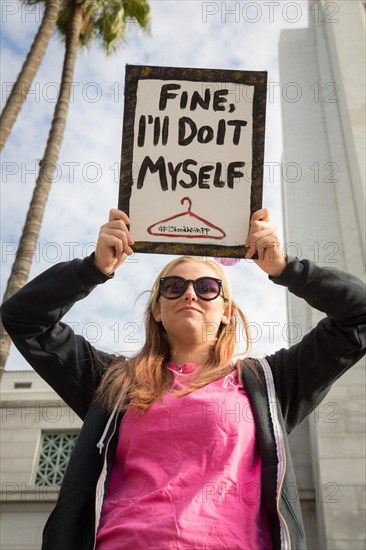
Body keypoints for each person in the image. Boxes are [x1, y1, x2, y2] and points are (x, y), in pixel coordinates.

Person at [1, 207, 365, 550]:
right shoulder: (113, 381)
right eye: (173, 286)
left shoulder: (271, 383)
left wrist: (284, 267)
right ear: (157, 309)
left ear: (226, 311)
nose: (190, 293)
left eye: (207, 287)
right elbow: (24, 318)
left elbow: (358, 317)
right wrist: (94, 268)